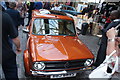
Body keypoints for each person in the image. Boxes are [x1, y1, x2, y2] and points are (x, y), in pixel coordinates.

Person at [1, 7, 21, 80]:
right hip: (5, 52)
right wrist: (18, 48)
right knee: (11, 73)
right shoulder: (5, 17)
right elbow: (15, 38)